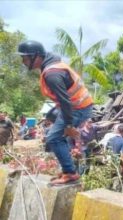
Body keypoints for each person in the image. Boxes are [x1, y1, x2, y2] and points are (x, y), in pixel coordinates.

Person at [17, 40, 93, 185]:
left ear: (36, 56)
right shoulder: (50, 65)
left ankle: (70, 173)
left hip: (77, 108)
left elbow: (65, 102)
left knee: (53, 138)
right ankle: (68, 169)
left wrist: (69, 126)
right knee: (56, 132)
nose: (23, 61)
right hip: (78, 105)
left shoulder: (52, 74)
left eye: (25, 58)